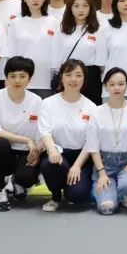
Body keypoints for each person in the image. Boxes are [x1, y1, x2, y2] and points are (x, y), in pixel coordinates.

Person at [38, 59, 98, 212]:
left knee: (78, 196)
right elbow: (45, 131)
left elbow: (91, 141)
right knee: (50, 164)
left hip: (81, 157)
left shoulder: (91, 107)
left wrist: (77, 166)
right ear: (61, 77)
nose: (73, 79)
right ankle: (56, 196)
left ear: (84, 79)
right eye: (68, 74)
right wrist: (52, 151)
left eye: (78, 75)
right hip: (58, 153)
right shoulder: (48, 103)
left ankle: (70, 187)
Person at [0, 56, 44, 212]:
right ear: (6, 77)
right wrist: (26, 140)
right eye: (13, 76)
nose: (17, 80)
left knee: (27, 178)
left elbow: (43, 131)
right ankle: (0, 189)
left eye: (22, 76)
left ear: (30, 79)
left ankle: (17, 181)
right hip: (3, 151)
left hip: (25, 152)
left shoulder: (37, 101)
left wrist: (37, 149)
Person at [87, 68, 127, 214]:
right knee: (107, 208)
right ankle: (106, 192)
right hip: (105, 164)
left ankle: (121, 191)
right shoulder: (96, 111)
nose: (116, 88)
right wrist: (102, 173)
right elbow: (93, 146)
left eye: (121, 84)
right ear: (105, 86)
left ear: (126, 85)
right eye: (112, 84)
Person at [4, 0, 58, 98]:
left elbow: (57, 52)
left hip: (46, 80)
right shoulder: (15, 23)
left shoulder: (54, 22)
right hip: (20, 79)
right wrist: (8, 77)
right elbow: (10, 53)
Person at [54, 0, 104, 104]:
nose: (81, 10)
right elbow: (56, 56)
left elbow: (101, 60)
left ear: (90, 8)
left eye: (85, 6)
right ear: (70, 8)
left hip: (91, 76)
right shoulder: (61, 29)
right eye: (76, 6)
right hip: (68, 75)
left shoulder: (99, 29)